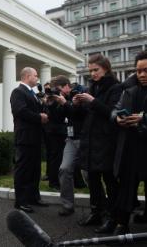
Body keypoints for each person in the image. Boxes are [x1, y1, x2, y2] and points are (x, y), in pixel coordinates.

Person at [111, 49, 147, 238]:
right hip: (130, 147)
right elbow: (115, 110)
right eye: (138, 70)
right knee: (126, 188)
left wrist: (145, 118)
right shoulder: (129, 90)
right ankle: (121, 225)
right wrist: (117, 119)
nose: (141, 74)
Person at [75, 54, 121, 234]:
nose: (93, 74)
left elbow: (113, 113)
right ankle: (97, 212)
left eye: (96, 70)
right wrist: (77, 104)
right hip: (90, 140)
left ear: (106, 69)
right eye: (90, 70)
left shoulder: (115, 87)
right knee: (93, 179)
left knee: (109, 180)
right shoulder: (92, 87)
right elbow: (85, 115)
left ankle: (113, 217)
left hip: (107, 140)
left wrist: (92, 101)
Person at [10, 67, 49, 214]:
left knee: (35, 170)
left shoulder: (34, 93)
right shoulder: (18, 92)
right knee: (23, 170)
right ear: (27, 76)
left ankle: (34, 197)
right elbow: (20, 111)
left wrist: (43, 103)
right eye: (35, 75)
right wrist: (40, 117)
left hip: (35, 137)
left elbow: (36, 109)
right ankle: (20, 201)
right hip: (25, 138)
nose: (37, 78)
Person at [48, 76, 86, 216]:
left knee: (89, 174)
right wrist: (51, 104)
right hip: (71, 139)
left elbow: (80, 114)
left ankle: (101, 207)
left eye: (58, 90)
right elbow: (57, 118)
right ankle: (67, 205)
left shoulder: (80, 92)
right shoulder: (61, 98)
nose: (58, 93)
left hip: (84, 138)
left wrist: (66, 103)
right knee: (64, 169)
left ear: (66, 86)